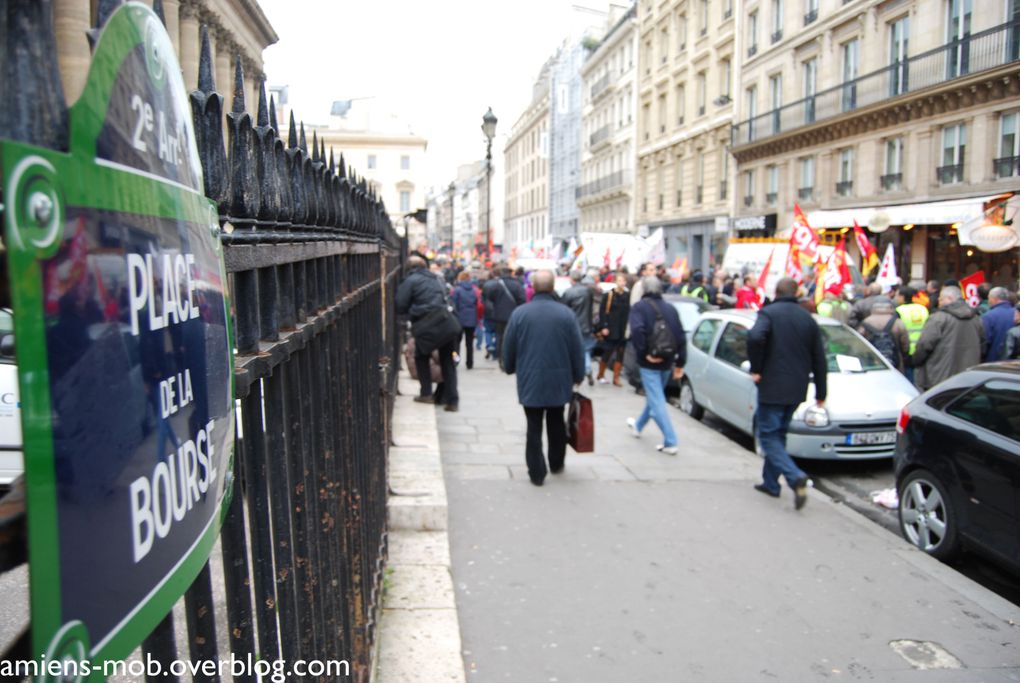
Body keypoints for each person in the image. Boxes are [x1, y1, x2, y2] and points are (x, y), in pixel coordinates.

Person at [747, 277, 827, 510]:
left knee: (768, 436)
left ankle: (794, 476)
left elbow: (754, 337)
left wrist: (757, 368)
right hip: (797, 388)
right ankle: (771, 483)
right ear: (796, 292)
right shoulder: (807, 318)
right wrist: (821, 391)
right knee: (779, 434)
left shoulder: (769, 313)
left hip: (772, 385)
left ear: (776, 292)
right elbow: (819, 359)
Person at [501, 270, 585, 486]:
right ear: (553, 286)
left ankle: (536, 471)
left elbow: (508, 345)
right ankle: (556, 462)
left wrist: (509, 367)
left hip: (530, 377)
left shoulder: (520, 314)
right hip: (560, 378)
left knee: (533, 425)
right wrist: (578, 374)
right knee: (556, 420)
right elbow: (577, 347)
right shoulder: (565, 314)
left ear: (534, 287)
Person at [625, 276, 686, 455]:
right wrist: (680, 362)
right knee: (655, 396)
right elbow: (681, 337)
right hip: (667, 360)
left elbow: (637, 331)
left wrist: (645, 354)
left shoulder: (639, 308)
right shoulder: (670, 309)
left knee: (656, 399)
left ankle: (670, 440)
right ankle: (638, 426)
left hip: (649, 362)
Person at [396, 256, 459, 411]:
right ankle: (452, 401)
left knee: (421, 356)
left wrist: (412, 312)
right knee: (447, 362)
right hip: (446, 322)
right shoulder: (438, 279)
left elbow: (400, 305)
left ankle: (426, 393)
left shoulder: (411, 281)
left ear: (409, 268)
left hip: (426, 324)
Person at [912, 285, 986, 391]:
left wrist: (916, 360)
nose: (938, 301)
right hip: (967, 376)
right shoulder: (976, 318)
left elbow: (925, 344)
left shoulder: (938, 318)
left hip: (939, 376)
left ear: (950, 298)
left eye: (941, 298)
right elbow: (983, 345)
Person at [483, 265, 526, 368]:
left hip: (499, 316)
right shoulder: (517, 285)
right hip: (514, 316)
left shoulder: (496, 285)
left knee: (500, 337)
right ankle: (511, 359)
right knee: (513, 337)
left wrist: (495, 308)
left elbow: (489, 299)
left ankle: (501, 359)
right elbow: (522, 300)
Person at [561, 271, 596, 386]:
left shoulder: (569, 292)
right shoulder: (587, 291)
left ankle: (576, 372)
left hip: (573, 326)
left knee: (572, 351)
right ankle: (587, 368)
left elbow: (564, 310)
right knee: (585, 349)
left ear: (572, 279)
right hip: (585, 325)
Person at [858, 297, 910, 372]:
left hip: (872, 364)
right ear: (890, 307)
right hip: (895, 363)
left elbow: (860, 344)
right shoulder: (897, 322)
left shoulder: (866, 322)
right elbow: (905, 344)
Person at [597, 273, 631, 385]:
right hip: (611, 327)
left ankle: (616, 378)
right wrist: (604, 326)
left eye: (623, 281)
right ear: (616, 281)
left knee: (620, 353)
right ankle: (601, 373)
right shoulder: (609, 295)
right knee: (608, 351)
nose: (621, 283)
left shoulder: (627, 295)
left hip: (623, 328)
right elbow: (602, 312)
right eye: (619, 280)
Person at [451, 271, 479, 370]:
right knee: (469, 343)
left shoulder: (457, 290)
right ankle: (469, 363)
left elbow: (454, 304)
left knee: (456, 343)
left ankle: (456, 361)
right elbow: (476, 303)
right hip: (471, 318)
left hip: (459, 318)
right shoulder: (474, 290)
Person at [981, 286, 1015, 362]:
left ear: (994, 299)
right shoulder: (1016, 313)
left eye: (989, 298)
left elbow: (984, 342)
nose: (988, 301)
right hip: (1014, 364)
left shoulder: (988, 317)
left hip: (992, 362)